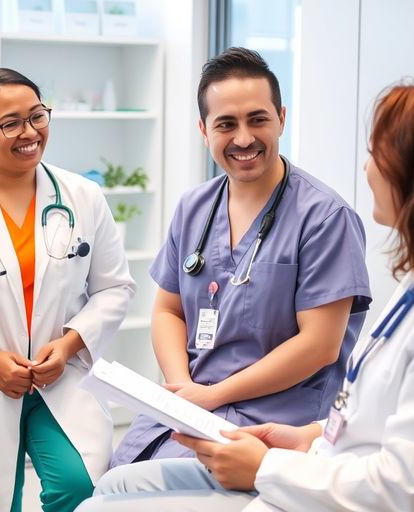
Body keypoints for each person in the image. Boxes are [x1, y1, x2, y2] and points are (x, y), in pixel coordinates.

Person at [79, 71, 414, 512]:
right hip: (316, 464)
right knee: (114, 486)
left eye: (377, 154)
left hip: (324, 489)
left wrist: (268, 469)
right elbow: (379, 420)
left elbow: (412, 489)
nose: (367, 170)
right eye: (225, 123)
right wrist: (303, 439)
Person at [109, 47, 372, 468]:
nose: (244, 138)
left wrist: (212, 396)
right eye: (226, 124)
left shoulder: (325, 218)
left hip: (275, 424)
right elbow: (168, 311)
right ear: (203, 129)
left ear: (281, 118)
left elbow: (320, 345)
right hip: (191, 409)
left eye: (258, 119)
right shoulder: (194, 207)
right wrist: (181, 390)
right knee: (114, 480)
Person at [0, 67, 136, 512]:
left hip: (61, 377)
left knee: (77, 485)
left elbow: (114, 287)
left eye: (37, 116)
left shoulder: (83, 197)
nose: (29, 132)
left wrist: (70, 345)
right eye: (10, 123)